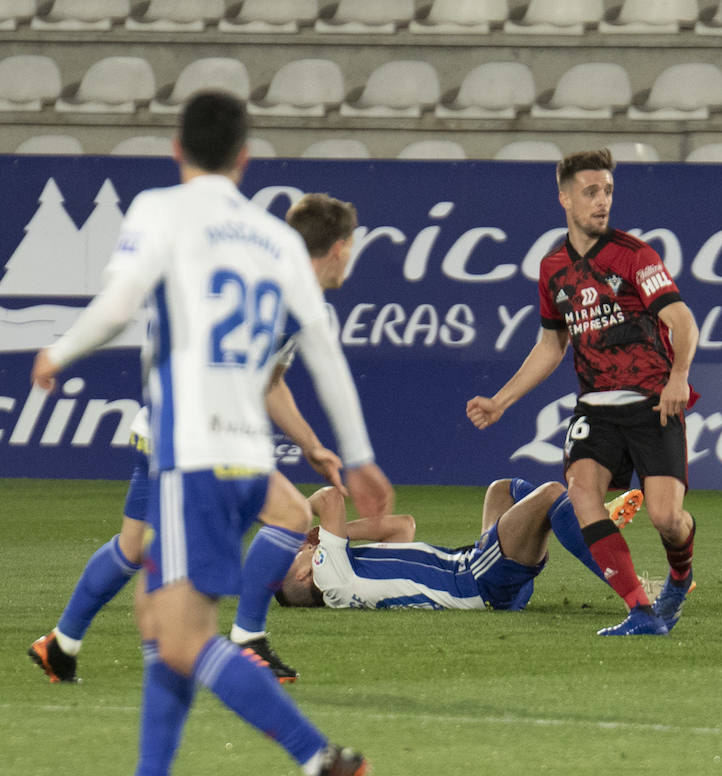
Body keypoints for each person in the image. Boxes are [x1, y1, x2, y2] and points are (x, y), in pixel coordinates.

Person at [30, 91, 392, 776]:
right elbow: (322, 349)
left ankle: (318, 756)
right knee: (154, 618)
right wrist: (360, 453)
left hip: (188, 453)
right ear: (244, 157)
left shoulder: (162, 211)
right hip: (247, 459)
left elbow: (116, 307)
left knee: (184, 636)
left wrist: (60, 352)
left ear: (176, 148)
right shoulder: (277, 239)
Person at [27, 193, 360, 685]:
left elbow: (268, 382)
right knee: (290, 513)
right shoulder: (291, 298)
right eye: (351, 246)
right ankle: (247, 642)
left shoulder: (259, 279)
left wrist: (310, 445)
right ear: (335, 249)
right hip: (198, 436)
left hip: (158, 426)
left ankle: (60, 643)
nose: (350, 256)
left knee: (133, 545)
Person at [467, 148, 700, 636]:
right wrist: (501, 401)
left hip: (652, 402)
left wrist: (678, 377)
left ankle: (680, 575)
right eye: (591, 192)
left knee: (667, 518)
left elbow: (681, 321)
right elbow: (552, 344)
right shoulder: (553, 268)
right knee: (581, 493)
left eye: (608, 191)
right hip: (595, 408)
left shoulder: (635, 255)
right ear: (565, 199)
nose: (602, 201)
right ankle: (640, 610)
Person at [276, 481, 643, 610]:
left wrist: (333, 534)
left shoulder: (349, 570)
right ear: (306, 575)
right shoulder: (332, 580)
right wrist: (296, 517)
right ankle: (635, 589)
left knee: (502, 489)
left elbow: (401, 527)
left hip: (478, 569)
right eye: (295, 557)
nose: (299, 549)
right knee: (549, 495)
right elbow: (329, 499)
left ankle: (587, 521)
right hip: (477, 581)